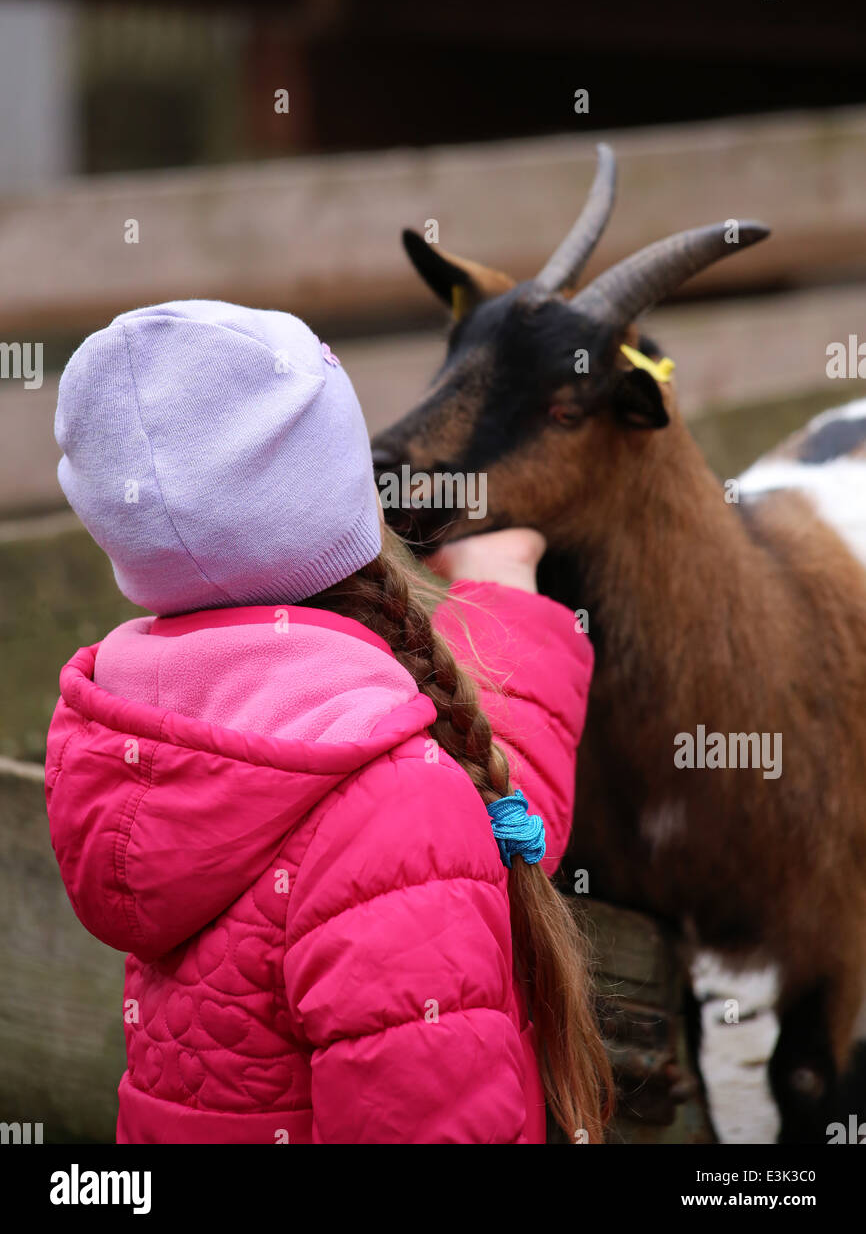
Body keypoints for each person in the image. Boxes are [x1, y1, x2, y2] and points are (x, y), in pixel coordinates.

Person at [45, 299, 610, 1144]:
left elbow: (471, 828)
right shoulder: (398, 802)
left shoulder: (140, 736)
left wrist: (506, 606)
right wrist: (510, 599)